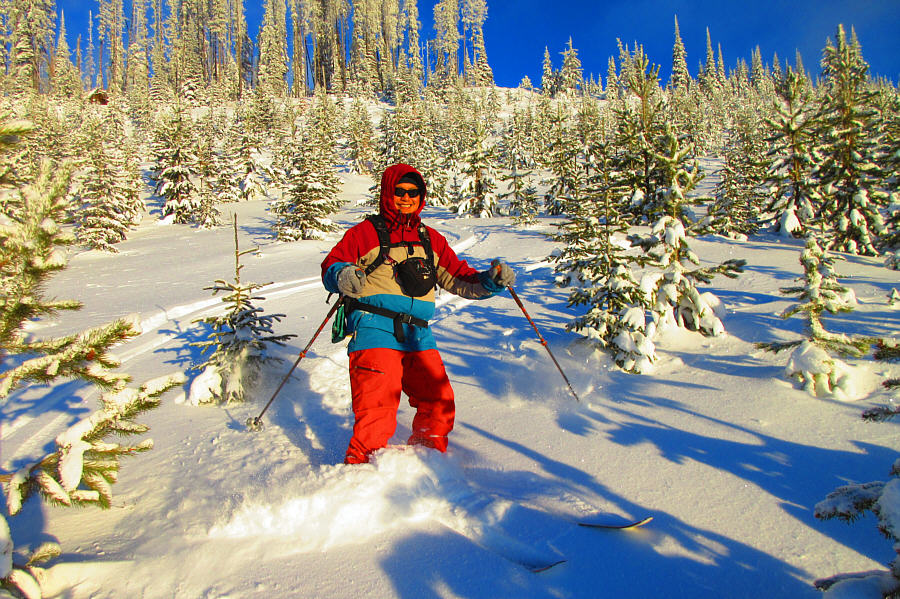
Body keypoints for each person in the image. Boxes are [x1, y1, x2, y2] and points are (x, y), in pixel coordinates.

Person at [321, 163, 515, 464]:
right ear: (388, 192)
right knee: (377, 412)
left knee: (438, 401)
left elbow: (459, 278)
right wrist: (342, 274)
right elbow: (332, 265)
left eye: (414, 192)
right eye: (400, 191)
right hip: (374, 326)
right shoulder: (365, 233)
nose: (407, 197)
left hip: (418, 332)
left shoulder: (430, 239)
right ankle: (360, 482)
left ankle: (428, 463)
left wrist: (492, 280)